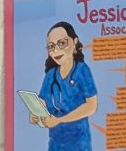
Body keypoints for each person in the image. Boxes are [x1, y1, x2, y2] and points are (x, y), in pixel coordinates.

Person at [30, 21, 98, 150]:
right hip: (55, 143)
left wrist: (60, 120)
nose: (56, 50)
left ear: (74, 43)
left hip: (78, 143)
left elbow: (91, 106)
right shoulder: (51, 75)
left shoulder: (82, 70)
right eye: (51, 46)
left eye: (62, 43)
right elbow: (42, 102)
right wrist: (37, 114)